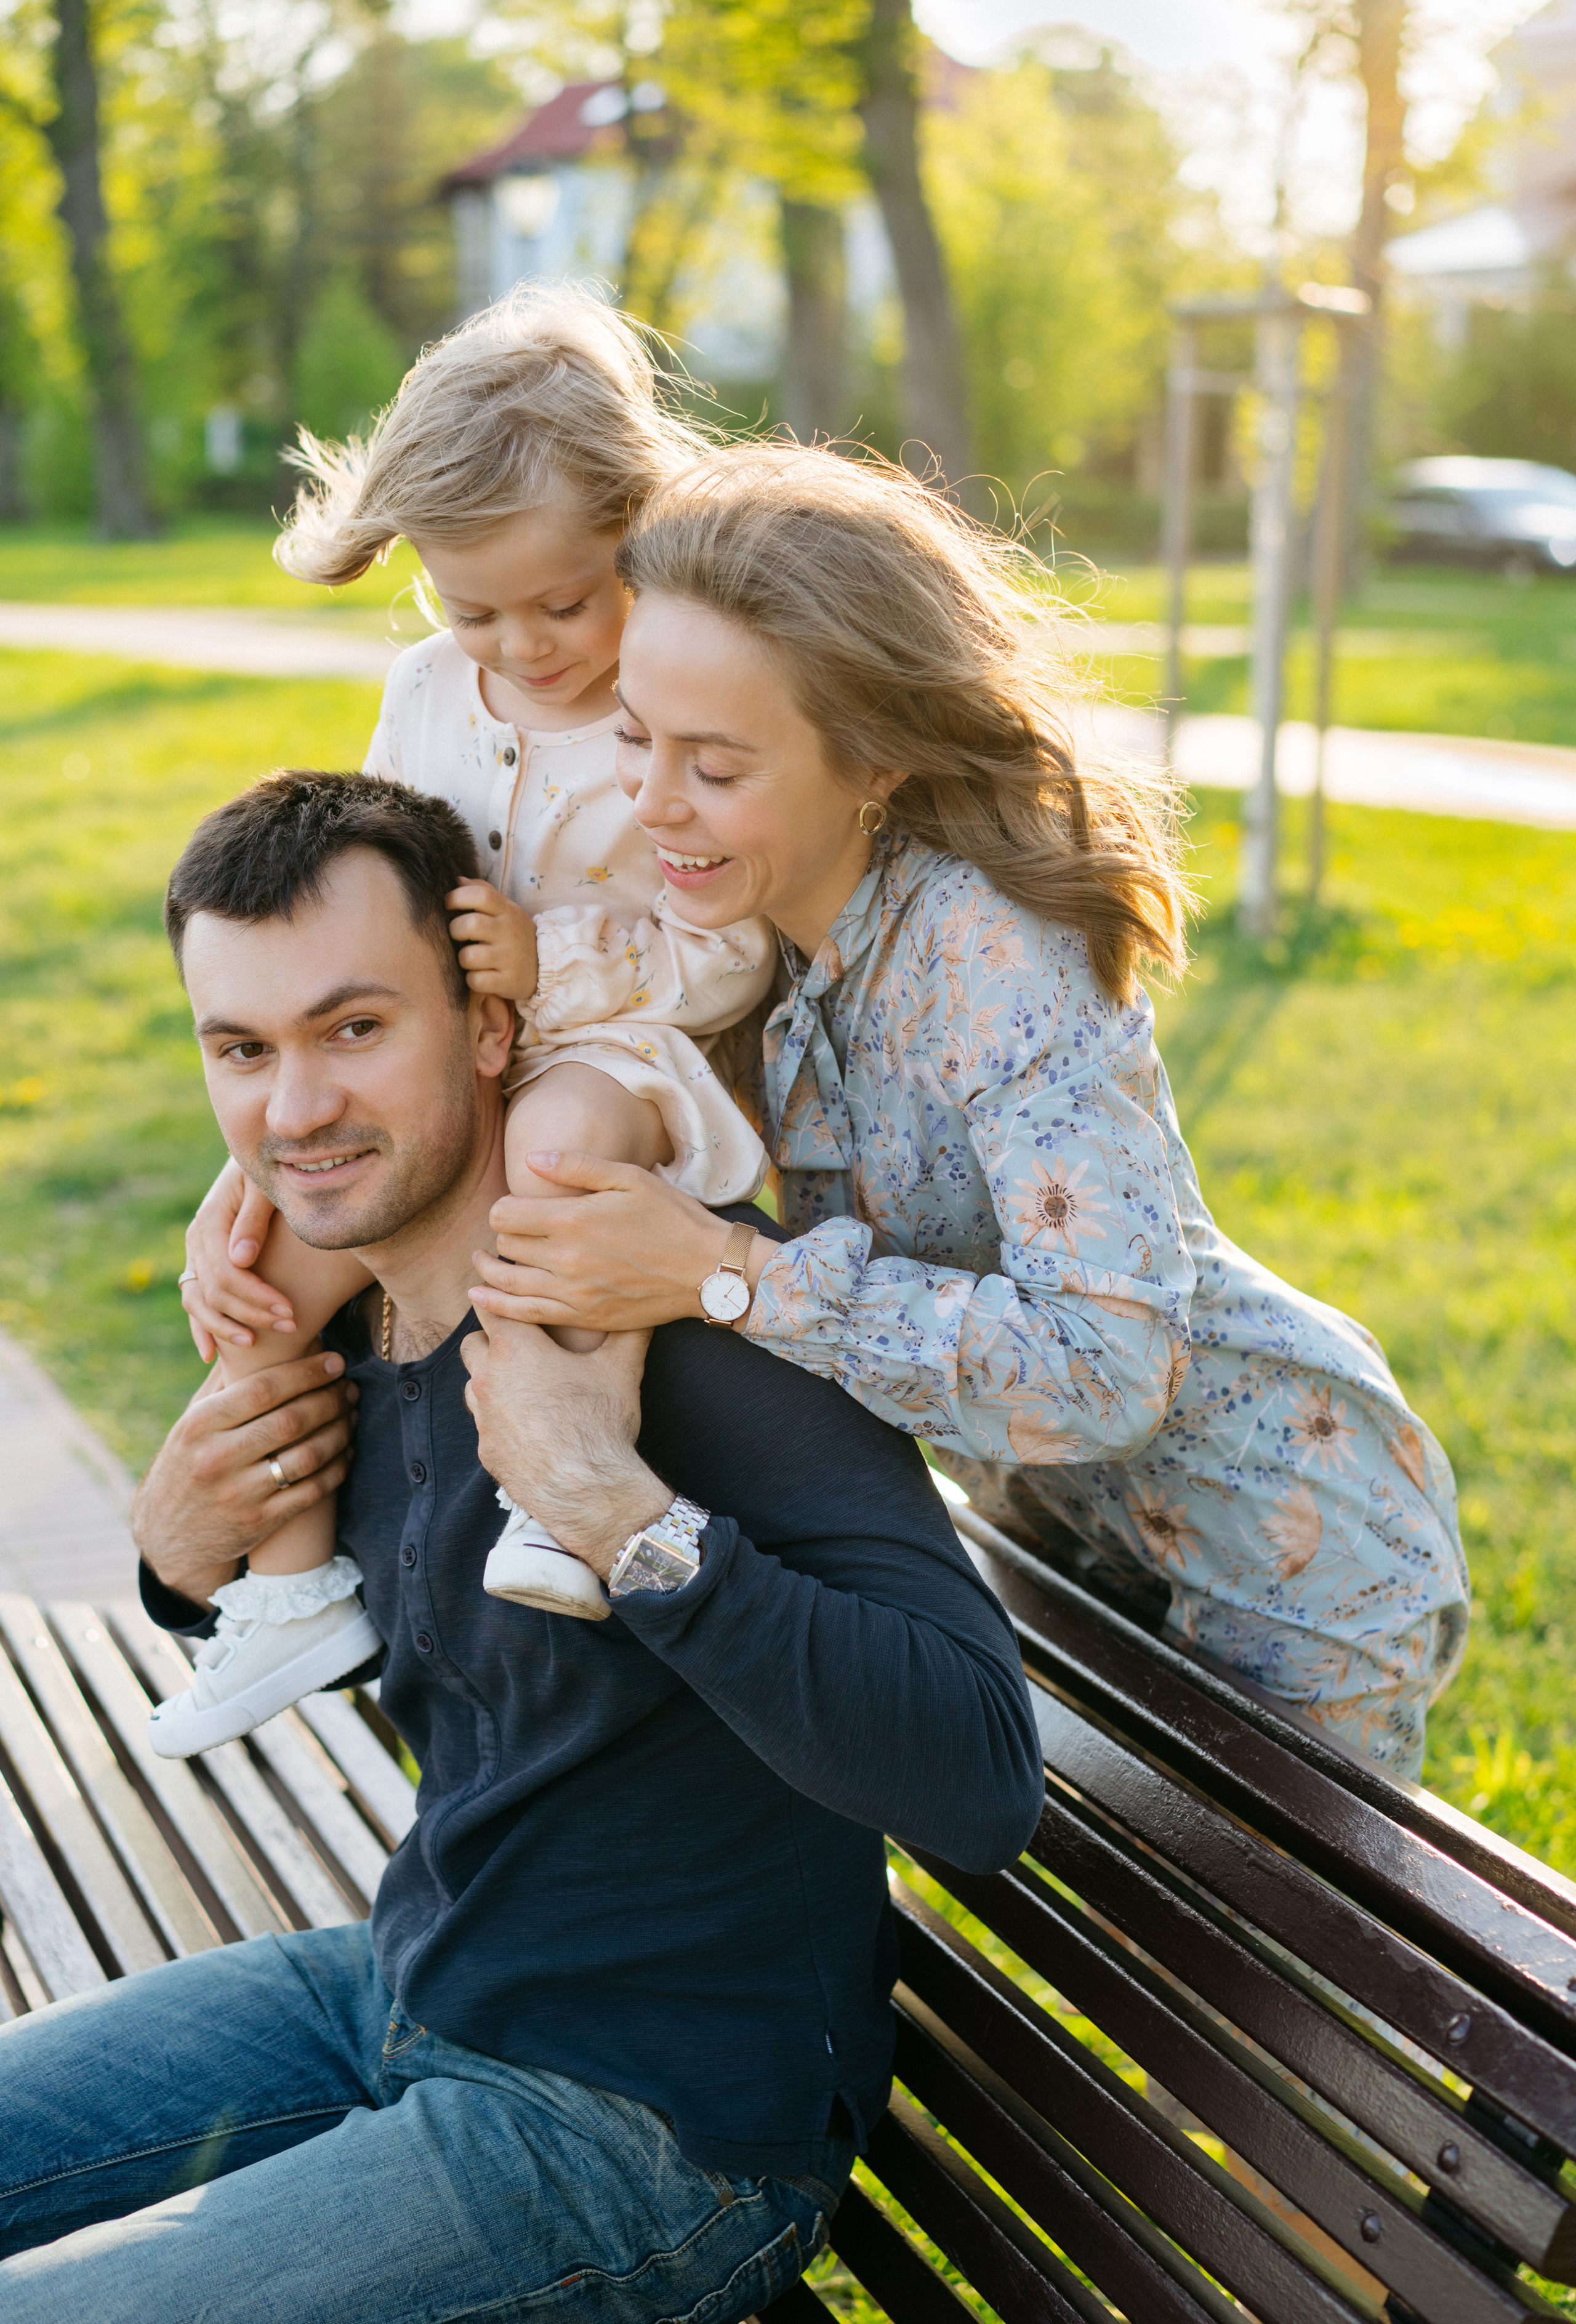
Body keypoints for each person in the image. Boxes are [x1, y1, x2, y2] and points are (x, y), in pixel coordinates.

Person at [0, 771, 1043, 2323]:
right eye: (244, 1047)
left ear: (491, 1025)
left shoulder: (683, 1315)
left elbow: (975, 1773)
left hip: (654, 2125)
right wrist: (175, 1554)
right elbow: (380, 1611)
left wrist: (610, 1505)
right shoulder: (342, 1314)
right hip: (405, 1985)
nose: (294, 1109)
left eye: (355, 1028)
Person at [446, 441, 1469, 1779]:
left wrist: (728, 1276)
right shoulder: (751, 934)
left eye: (714, 763)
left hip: (1287, 1547)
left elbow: (1106, 1367)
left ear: (870, 759)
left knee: (1245, 1983)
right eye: (636, 738)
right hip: (1055, 1534)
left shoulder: (992, 948)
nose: (650, 804)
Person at [163, 283, 776, 1756]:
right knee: (260, 1266)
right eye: (472, 605)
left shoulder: (669, 702)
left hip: (617, 1055)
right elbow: (355, 895)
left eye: (562, 601)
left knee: (556, 1166)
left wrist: (545, 960)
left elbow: (734, 948)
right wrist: (242, 1176)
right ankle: (296, 1579)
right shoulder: (427, 689)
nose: (521, 643)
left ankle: (568, 1489)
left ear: (635, 533)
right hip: (437, 1057)